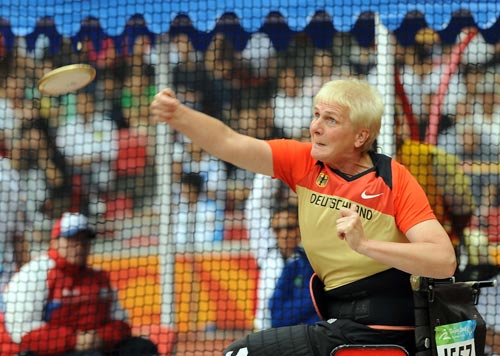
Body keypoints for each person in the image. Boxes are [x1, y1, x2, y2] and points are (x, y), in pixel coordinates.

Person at [150, 78, 457, 356]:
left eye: (330, 120)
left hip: (385, 328)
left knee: (240, 353)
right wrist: (178, 114)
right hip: (337, 320)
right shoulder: (304, 161)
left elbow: (443, 260)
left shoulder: (393, 179)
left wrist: (364, 244)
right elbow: (229, 142)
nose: (315, 127)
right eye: (316, 115)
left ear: (360, 136)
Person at [3, 212, 158, 356]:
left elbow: (122, 323)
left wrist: (99, 337)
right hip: (50, 351)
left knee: (143, 348)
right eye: (72, 239)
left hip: (96, 346)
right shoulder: (34, 274)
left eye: (85, 239)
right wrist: (75, 340)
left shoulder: (99, 276)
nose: (80, 245)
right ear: (55, 242)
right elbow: (22, 331)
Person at [268, 204, 320, 328]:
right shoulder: (268, 260)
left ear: (300, 229)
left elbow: (313, 303)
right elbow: (275, 314)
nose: (284, 234)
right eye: (278, 229)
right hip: (272, 331)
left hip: (309, 333)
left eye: (290, 228)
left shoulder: (312, 263)